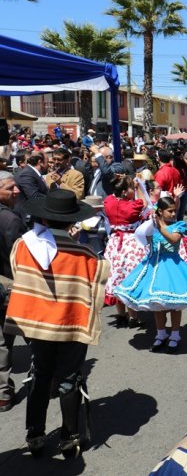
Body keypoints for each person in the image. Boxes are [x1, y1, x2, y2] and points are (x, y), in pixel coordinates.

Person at [4, 189, 110, 459]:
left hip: (38, 324)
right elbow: (95, 292)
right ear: (72, 222)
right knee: (69, 378)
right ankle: (69, 437)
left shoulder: (24, 247)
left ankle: (35, 435)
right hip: (72, 324)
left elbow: (20, 276)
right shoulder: (85, 253)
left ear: (45, 219)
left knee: (40, 374)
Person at [114, 196, 187, 353]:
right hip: (154, 265)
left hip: (172, 267)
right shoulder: (151, 227)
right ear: (160, 212)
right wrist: (149, 227)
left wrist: (159, 226)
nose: (174, 213)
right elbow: (144, 240)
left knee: (175, 304)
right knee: (157, 304)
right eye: (170, 211)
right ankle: (161, 333)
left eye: (175, 210)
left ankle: (175, 334)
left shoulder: (178, 226)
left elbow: (174, 240)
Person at [103, 175, 149, 328]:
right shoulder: (131, 207)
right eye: (129, 188)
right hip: (130, 244)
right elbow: (144, 202)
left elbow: (112, 195)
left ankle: (121, 314)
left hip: (114, 243)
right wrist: (138, 187)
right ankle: (133, 316)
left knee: (116, 276)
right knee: (129, 278)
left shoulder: (109, 201)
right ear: (124, 192)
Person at [0, 171, 23, 412]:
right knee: (35, 337)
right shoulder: (10, 220)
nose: (16, 191)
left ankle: (3, 395)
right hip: (11, 288)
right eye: (10, 188)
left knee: (2, 344)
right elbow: (18, 259)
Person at [14, 151, 48, 216]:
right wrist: (54, 199)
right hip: (27, 216)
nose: (49, 164)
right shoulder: (26, 174)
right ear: (40, 162)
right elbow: (34, 196)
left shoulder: (31, 172)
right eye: (47, 162)